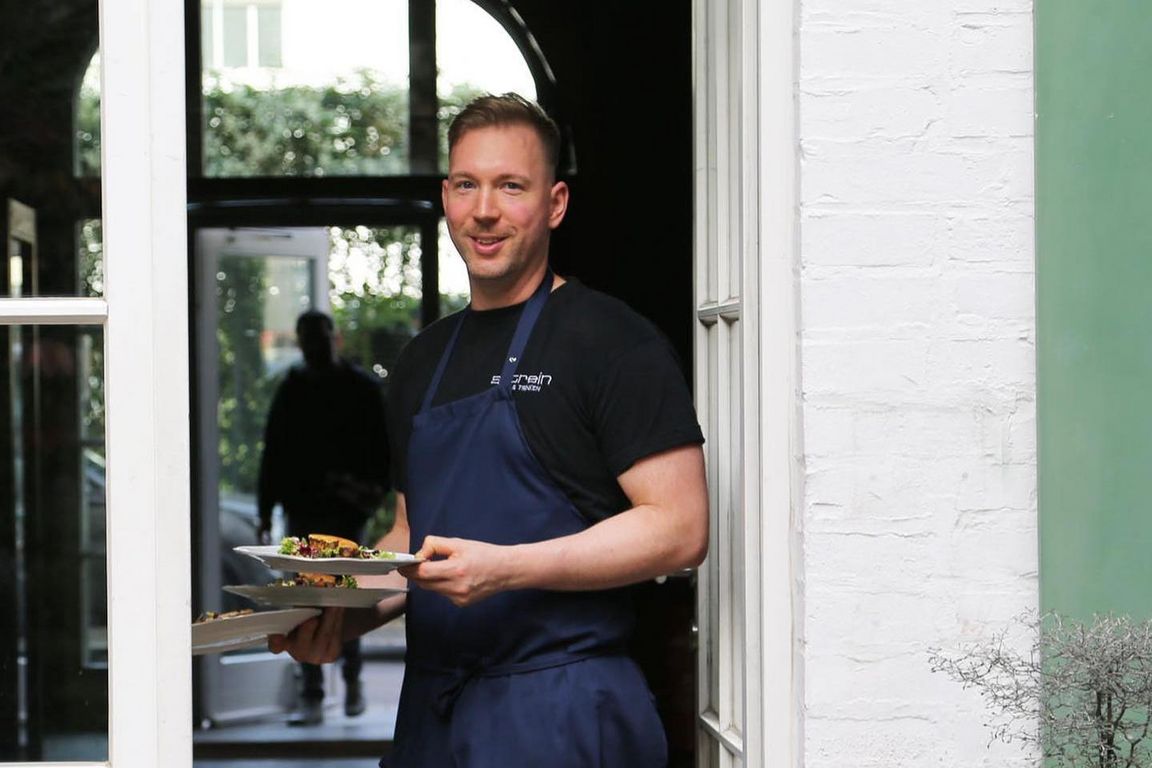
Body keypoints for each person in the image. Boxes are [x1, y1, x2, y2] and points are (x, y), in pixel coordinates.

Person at [271, 93, 709, 766]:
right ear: (446, 197)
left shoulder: (612, 342)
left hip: (564, 710)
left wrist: (507, 569)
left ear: (555, 203)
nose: (484, 210)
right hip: (434, 717)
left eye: (511, 186)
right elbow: (408, 537)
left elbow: (680, 526)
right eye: (467, 185)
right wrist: (341, 617)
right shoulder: (421, 361)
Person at [257, 309, 389, 725]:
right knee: (309, 598)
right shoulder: (295, 388)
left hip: (345, 509)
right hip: (306, 508)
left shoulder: (359, 388)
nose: (315, 345)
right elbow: (274, 453)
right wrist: (266, 510)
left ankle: (347, 682)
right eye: (309, 338)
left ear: (335, 338)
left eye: (320, 337)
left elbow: (383, 450)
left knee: (343, 594)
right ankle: (316, 689)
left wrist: (368, 493)